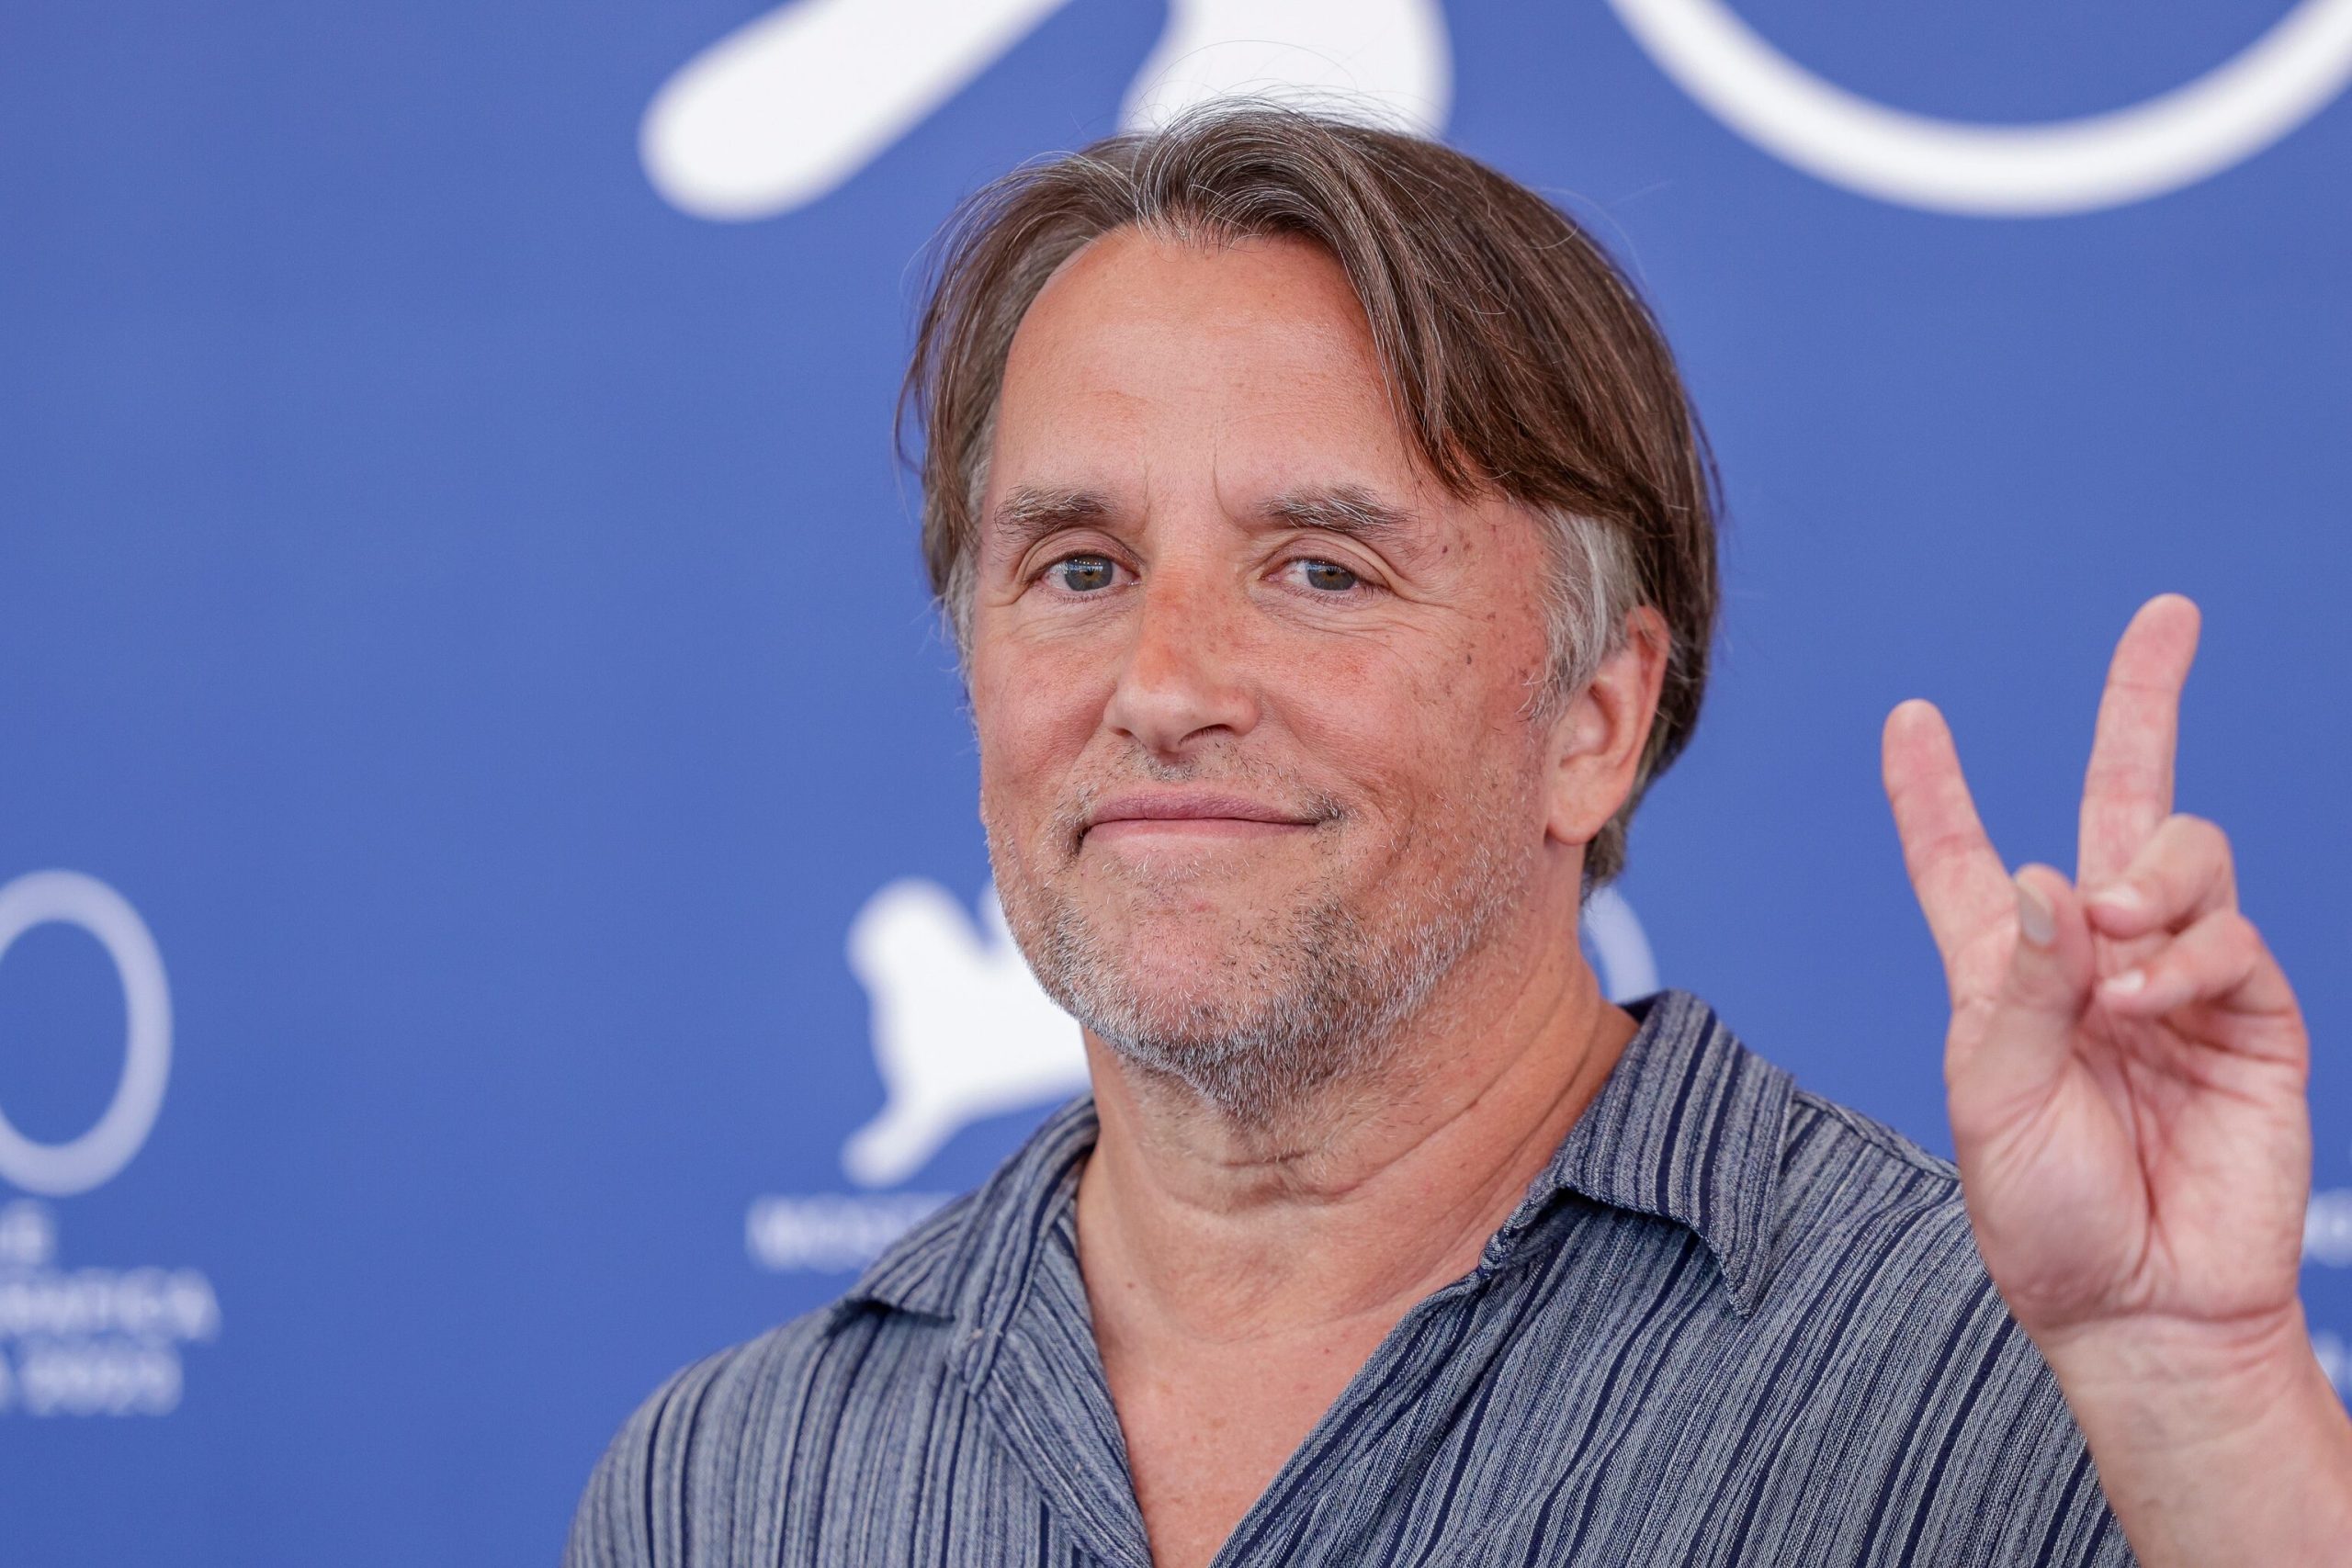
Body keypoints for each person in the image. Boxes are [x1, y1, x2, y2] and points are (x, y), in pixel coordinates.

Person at [567, 105, 2350, 1566]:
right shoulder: (734, 1486)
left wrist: (2199, 1405)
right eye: (1081, 569)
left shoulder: (2033, 1391)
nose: (1163, 683)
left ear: (1594, 718)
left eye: (1320, 570)